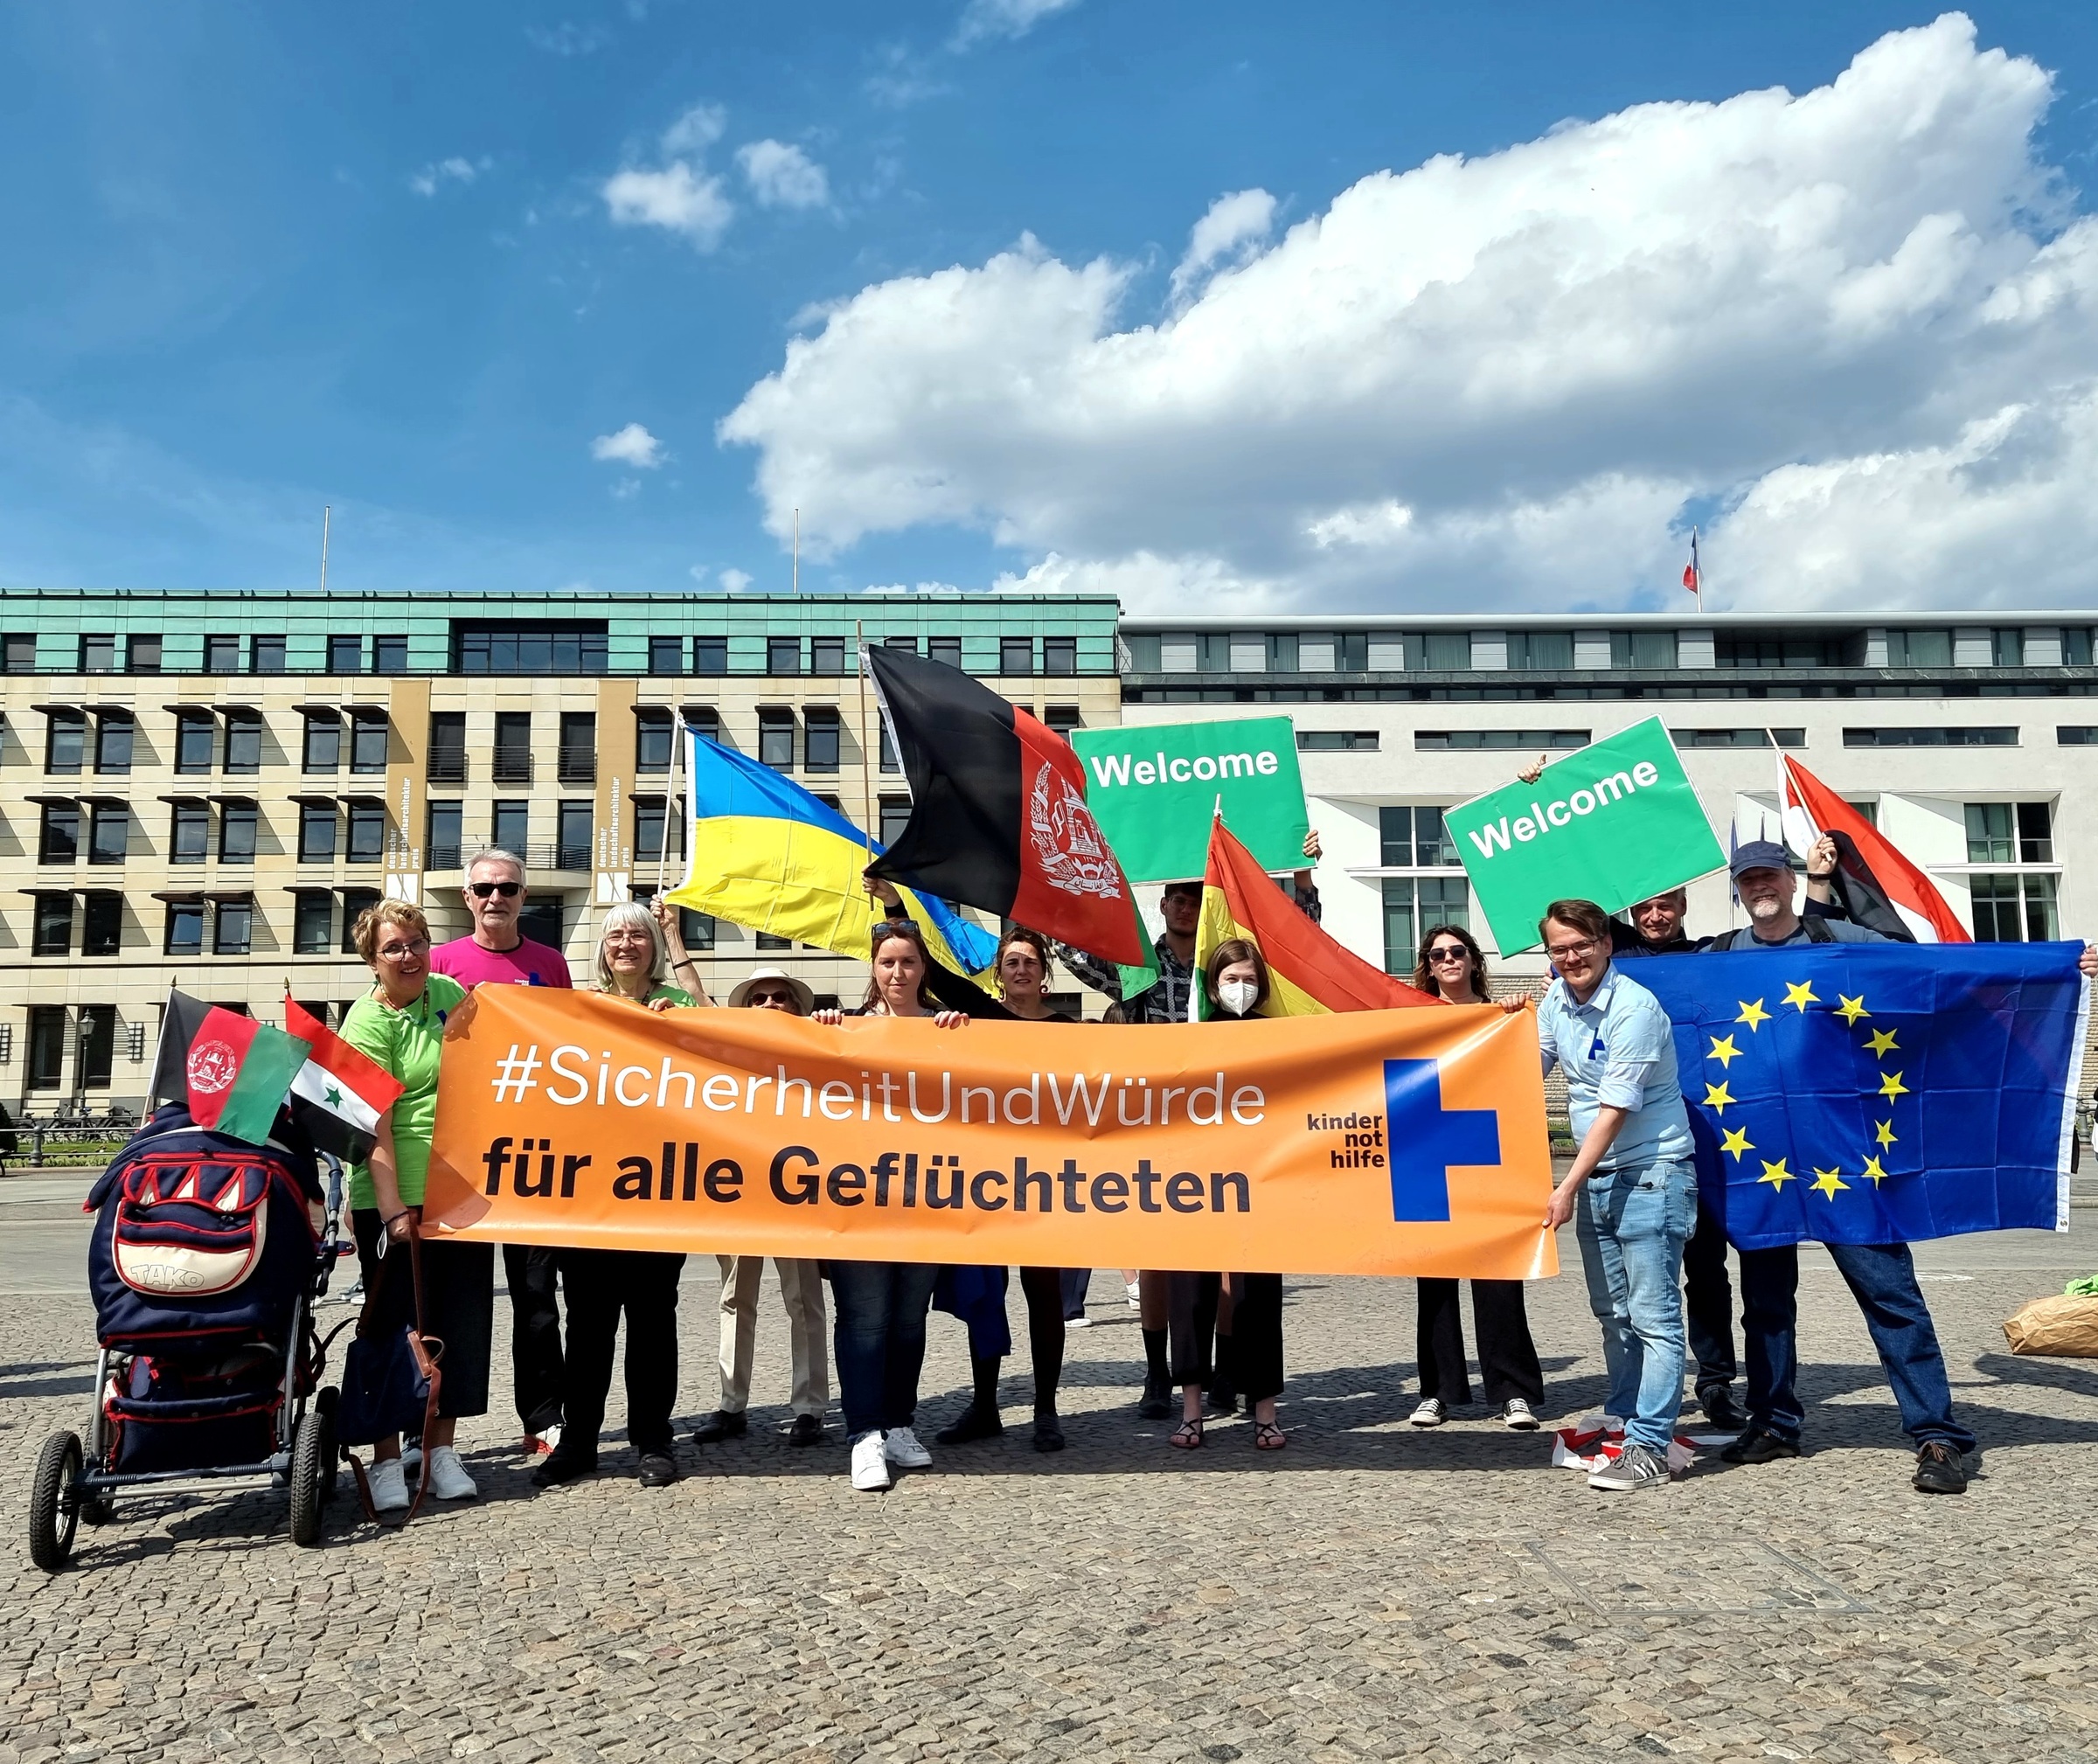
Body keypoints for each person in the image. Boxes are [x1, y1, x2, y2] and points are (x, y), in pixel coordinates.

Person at [1700, 840, 2098, 1492]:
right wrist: (1571, 977)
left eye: (1770, 873)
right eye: (1749, 879)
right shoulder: (1717, 957)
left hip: (1848, 1162)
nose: (1760, 886)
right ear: (1739, 889)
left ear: (1791, 880)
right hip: (1761, 1162)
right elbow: (1644, 981)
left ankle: (1937, 1435)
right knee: (1766, 1306)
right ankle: (1774, 1422)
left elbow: (1936, 978)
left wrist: (2056, 964)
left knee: (1892, 1298)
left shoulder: (1845, 940)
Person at [1059, 831, 1323, 1421]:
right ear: (1161, 904)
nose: (1184, 905)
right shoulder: (1138, 968)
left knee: (1231, 1261)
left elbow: (1296, 944)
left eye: (1193, 898)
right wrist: (1078, 877)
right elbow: (1071, 951)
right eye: (1175, 896)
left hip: (1231, 1128)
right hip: (1162, 1129)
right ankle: (1161, 1375)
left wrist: (1301, 875)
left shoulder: (1221, 966)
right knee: (1158, 1260)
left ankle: (1223, 1371)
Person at [866, 885, 1082, 1454]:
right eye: (1010, 962)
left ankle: (1045, 1410)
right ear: (999, 972)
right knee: (983, 1293)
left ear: (1044, 974)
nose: (1019, 970)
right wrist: (893, 909)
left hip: (1044, 1180)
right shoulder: (979, 1019)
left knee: (1044, 1296)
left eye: (1028, 963)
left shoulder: (1068, 1032)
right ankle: (986, 1406)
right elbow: (928, 972)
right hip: (986, 1178)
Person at [1537, 897, 1697, 1494]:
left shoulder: (1634, 1009)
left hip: (1653, 1173)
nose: (1572, 957)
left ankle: (1650, 1446)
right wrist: (1496, 1030)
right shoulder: (1556, 997)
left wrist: (1565, 1187)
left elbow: (1615, 1108)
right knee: (1614, 1315)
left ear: (1606, 944)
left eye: (1582, 945)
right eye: (1560, 948)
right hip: (1601, 1175)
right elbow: (1528, 1064)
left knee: (1655, 1319)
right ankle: (1624, 1412)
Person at [340, 900, 495, 1511]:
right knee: (388, 1327)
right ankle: (383, 1463)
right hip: (394, 1188)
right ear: (372, 960)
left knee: (456, 1320)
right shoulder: (366, 1024)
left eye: (417, 942)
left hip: (459, 1185)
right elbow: (372, 1123)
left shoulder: (446, 992)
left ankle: (440, 1448)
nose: (409, 956)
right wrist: (392, 1207)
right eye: (394, 948)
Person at [808, 918, 970, 1491]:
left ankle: (900, 1423)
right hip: (862, 1203)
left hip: (928, 1200)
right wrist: (823, 1032)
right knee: (866, 1319)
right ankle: (863, 1433)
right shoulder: (847, 1029)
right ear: (873, 971)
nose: (897, 972)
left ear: (923, 969)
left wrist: (964, 1037)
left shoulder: (946, 1029)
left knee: (907, 1320)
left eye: (907, 962)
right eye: (887, 963)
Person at [534, 903, 693, 1489]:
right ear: (602, 950)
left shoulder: (677, 1005)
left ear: (653, 944)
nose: (626, 944)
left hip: (659, 1191)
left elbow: (724, 1060)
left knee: (653, 1322)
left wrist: (681, 1026)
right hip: (592, 1192)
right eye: (615, 936)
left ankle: (653, 1438)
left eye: (637, 934)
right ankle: (578, 1441)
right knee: (589, 1325)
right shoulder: (579, 1011)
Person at [429, 848, 573, 1461]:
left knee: (537, 1299)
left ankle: (543, 1419)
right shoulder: (436, 962)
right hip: (455, 1154)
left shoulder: (551, 963)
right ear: (467, 898)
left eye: (508, 888)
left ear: (523, 896)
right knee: (450, 1304)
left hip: (530, 1155)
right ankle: (430, 1431)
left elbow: (573, 1050)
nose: (496, 898)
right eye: (485, 888)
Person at [682, 941, 832, 1451]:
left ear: (796, 1006)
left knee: (804, 1301)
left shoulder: (818, 1051)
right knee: (733, 1297)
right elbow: (695, 998)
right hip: (739, 1192)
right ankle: (731, 1404)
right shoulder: (729, 1054)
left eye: (780, 996)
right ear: (746, 1009)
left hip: (798, 1193)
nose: (770, 1004)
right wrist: (673, 934)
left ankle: (810, 1408)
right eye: (760, 998)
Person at [1405, 924, 1546, 1432]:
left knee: (1499, 1281)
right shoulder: (1409, 1020)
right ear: (1427, 962)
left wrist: (1519, 1021)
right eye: (1437, 953)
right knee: (1435, 1285)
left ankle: (1513, 1393)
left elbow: (1530, 1070)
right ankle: (1437, 1391)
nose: (1448, 959)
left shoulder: (1501, 1017)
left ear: (1472, 958)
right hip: (1424, 1161)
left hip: (1486, 1155)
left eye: (1457, 951)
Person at [1165, 939, 1288, 1453]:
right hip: (1196, 1182)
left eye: (1248, 978)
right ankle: (1192, 1410)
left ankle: (1264, 1410)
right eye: (1230, 979)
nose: (1240, 987)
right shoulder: (1190, 1036)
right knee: (1190, 1295)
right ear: (1212, 985)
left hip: (1261, 1181)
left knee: (1259, 1296)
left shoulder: (1278, 1035)